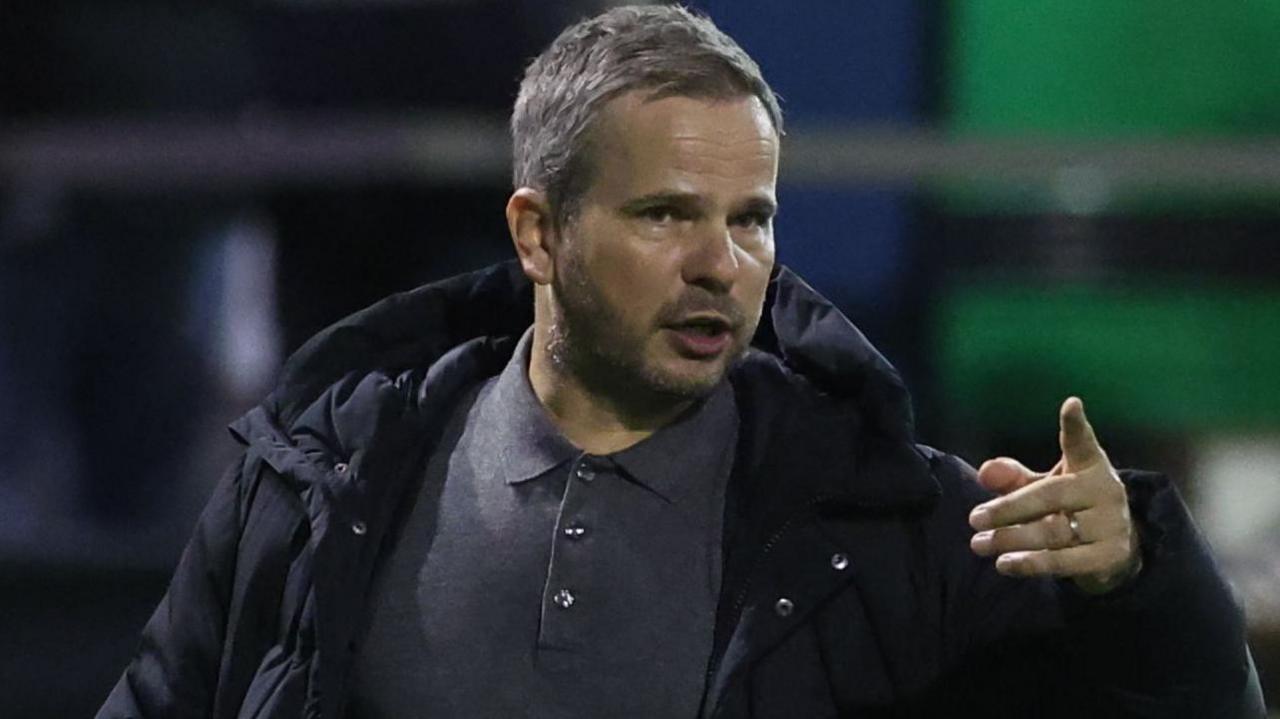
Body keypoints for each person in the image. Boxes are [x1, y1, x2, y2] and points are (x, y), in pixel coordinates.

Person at [98, 6, 1264, 718]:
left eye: (750, 218)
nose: (723, 263)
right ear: (536, 233)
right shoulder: (319, 480)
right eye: (665, 215)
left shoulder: (886, 520)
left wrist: (1140, 581)